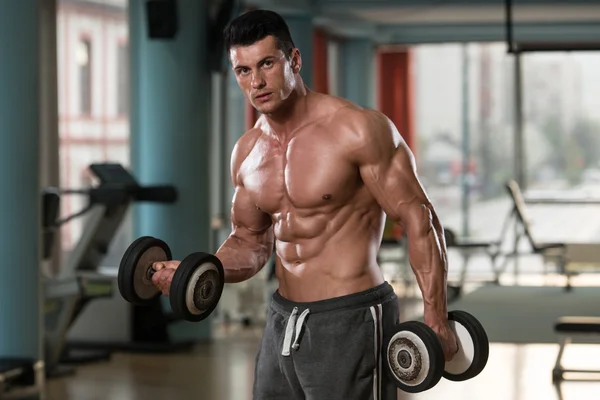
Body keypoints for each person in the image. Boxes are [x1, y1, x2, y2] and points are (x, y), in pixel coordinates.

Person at [151, 9, 458, 400]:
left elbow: (420, 220)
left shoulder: (357, 129)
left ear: (293, 60)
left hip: (351, 315)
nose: (256, 81)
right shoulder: (247, 152)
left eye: (266, 63)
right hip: (283, 318)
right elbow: (249, 242)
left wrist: (436, 316)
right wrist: (198, 270)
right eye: (243, 71)